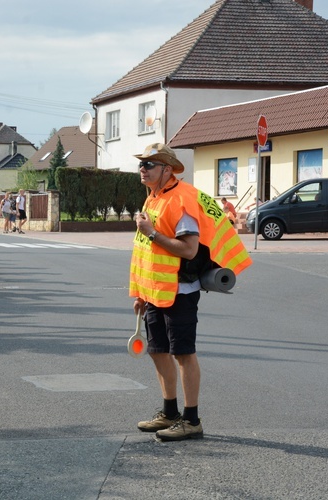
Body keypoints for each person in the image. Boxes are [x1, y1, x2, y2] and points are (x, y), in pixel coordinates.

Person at [130, 143, 251, 442]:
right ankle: (169, 412)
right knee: (158, 351)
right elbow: (144, 252)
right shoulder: (154, 199)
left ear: (167, 169)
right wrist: (140, 293)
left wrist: (153, 233)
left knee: (183, 354)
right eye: (141, 164)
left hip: (180, 291)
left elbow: (188, 249)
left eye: (149, 164)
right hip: (156, 291)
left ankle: (191, 419)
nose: (143, 169)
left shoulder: (181, 200)